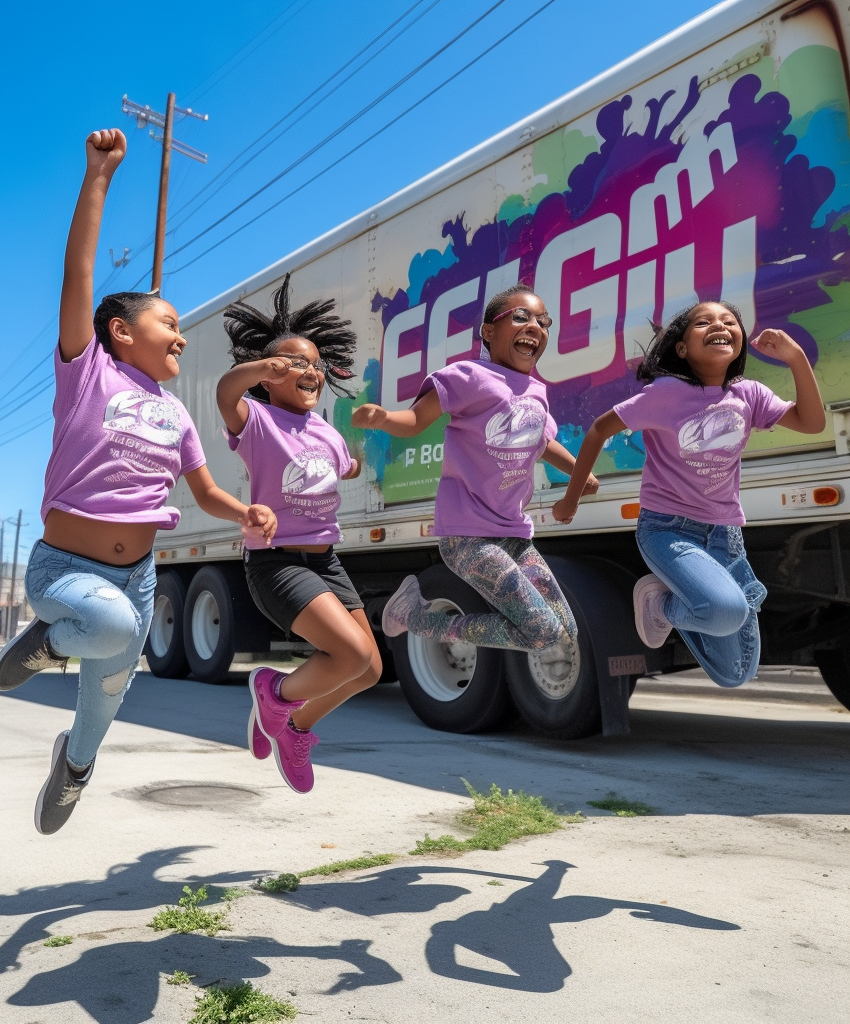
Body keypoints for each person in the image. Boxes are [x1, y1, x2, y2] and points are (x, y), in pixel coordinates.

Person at [0, 129, 276, 834]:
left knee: (105, 701)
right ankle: (47, 641)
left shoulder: (175, 412)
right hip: (67, 569)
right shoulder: (85, 370)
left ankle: (75, 766)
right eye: (170, 324)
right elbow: (79, 277)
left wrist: (243, 510)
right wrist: (99, 178)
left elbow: (202, 492)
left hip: (140, 576)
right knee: (108, 628)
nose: (181, 336)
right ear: (120, 332)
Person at [552, 301, 825, 686]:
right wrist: (572, 497)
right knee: (726, 611)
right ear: (682, 348)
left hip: (724, 535)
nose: (720, 325)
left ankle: (674, 605)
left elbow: (812, 424)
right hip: (667, 530)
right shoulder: (664, 393)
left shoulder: (748, 394)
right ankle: (667, 604)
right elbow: (599, 429)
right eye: (704, 322)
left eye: (730, 321)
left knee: (735, 673)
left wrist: (796, 358)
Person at [352, 284, 596, 666]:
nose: (534, 326)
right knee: (542, 632)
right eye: (520, 317)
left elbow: (543, 441)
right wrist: (384, 418)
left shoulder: (536, 390)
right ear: (488, 331)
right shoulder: (469, 376)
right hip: (468, 535)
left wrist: (582, 474)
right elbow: (416, 419)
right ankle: (411, 617)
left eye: (543, 321)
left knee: (566, 629)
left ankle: (414, 614)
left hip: (514, 534)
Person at [217, 275, 380, 794]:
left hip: (326, 562)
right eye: (291, 363)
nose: (307, 370)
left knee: (369, 669)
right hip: (277, 563)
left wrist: (353, 466)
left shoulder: (326, 430)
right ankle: (272, 690)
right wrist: (262, 367)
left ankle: (296, 726)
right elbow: (226, 391)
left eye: (313, 364)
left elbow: (340, 466)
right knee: (348, 655)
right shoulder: (257, 419)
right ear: (268, 377)